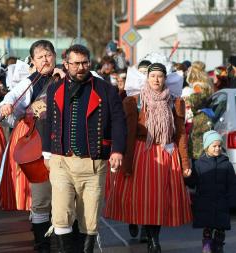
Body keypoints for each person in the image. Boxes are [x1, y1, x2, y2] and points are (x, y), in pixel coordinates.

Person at [42, 44, 126, 253]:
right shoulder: (54, 88)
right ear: (66, 64)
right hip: (61, 160)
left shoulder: (105, 89)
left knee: (89, 218)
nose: (80, 67)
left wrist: (117, 150)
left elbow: (118, 121)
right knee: (61, 214)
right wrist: (46, 152)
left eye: (84, 63)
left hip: (94, 163)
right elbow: (49, 122)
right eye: (76, 63)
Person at [105, 63, 192, 253]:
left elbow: (181, 135)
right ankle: (136, 222)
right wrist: (126, 161)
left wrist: (185, 162)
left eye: (160, 76)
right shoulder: (134, 101)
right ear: (147, 79)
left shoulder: (175, 102)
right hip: (141, 154)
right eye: (153, 76)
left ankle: (154, 239)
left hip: (166, 153)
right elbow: (128, 134)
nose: (156, 80)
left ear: (165, 79)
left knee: (160, 200)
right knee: (142, 199)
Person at [0, 40, 63, 253]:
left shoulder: (67, 77)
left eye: (48, 55)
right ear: (33, 61)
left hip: (66, 144)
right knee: (42, 195)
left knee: (67, 195)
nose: (46, 60)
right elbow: (13, 96)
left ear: (55, 56)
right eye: (40, 56)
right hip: (41, 143)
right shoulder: (30, 81)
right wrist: (7, 104)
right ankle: (41, 244)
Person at [185, 130, 236, 253]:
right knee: (207, 229)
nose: (217, 148)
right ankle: (206, 245)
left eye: (219, 146)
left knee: (220, 231)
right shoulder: (199, 164)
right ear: (207, 147)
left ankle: (218, 246)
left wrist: (232, 202)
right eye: (214, 146)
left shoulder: (227, 165)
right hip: (205, 202)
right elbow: (193, 183)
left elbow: (232, 185)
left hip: (221, 204)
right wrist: (188, 177)